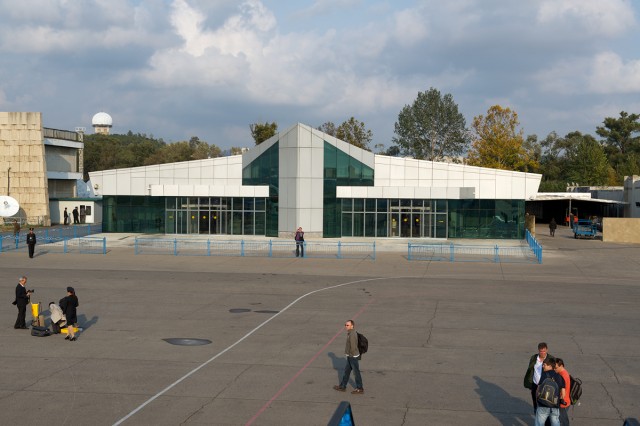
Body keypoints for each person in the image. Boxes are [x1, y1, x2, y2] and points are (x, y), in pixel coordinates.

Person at [333, 320, 364, 394]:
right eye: (345, 325)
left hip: (352, 356)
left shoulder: (352, 334)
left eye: (347, 325)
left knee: (356, 373)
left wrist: (351, 355)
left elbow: (353, 347)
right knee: (346, 372)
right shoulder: (350, 333)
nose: (346, 326)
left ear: (352, 326)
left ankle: (360, 388)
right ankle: (343, 386)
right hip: (350, 356)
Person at [535, 357, 566, 426]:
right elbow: (563, 394)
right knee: (555, 423)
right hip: (554, 405)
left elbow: (538, 389)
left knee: (539, 424)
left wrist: (538, 399)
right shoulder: (559, 377)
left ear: (550, 366)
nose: (543, 366)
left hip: (543, 404)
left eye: (544, 365)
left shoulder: (544, 375)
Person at [524, 342, 553, 414]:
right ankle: (536, 415)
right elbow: (530, 370)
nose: (542, 353)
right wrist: (530, 383)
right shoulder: (534, 358)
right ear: (538, 350)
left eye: (544, 351)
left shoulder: (551, 359)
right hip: (535, 384)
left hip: (546, 386)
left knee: (545, 404)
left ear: (547, 350)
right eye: (541, 351)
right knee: (535, 402)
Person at [554, 358, 571, 426]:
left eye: (555, 368)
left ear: (561, 366)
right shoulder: (563, 372)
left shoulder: (562, 376)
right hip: (566, 401)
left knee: (563, 421)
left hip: (562, 402)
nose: (554, 369)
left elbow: (562, 392)